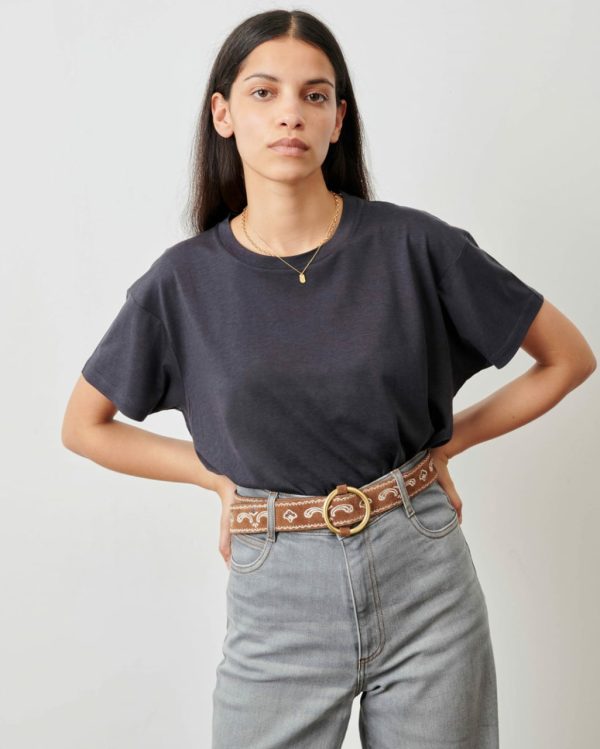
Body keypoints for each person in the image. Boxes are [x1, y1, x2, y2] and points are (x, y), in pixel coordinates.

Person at [61, 9, 596, 749]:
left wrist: (447, 447)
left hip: (424, 577)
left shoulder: (414, 244)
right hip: (276, 588)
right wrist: (215, 479)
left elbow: (568, 357)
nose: (291, 113)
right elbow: (83, 425)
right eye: (264, 92)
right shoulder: (182, 283)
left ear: (338, 118)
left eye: (315, 95)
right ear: (223, 114)